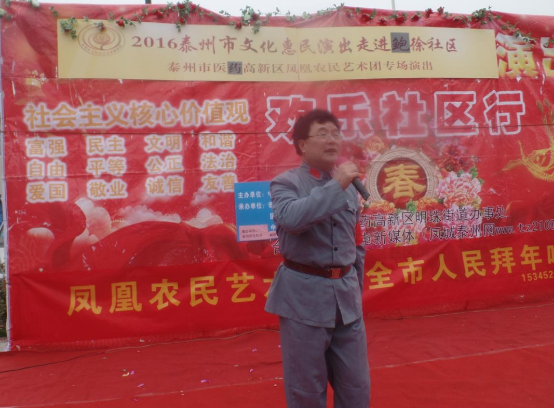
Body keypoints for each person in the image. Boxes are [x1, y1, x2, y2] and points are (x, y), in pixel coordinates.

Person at [265, 109, 370, 408]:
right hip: (303, 301)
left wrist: (356, 290)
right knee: (306, 391)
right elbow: (292, 219)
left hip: (347, 303)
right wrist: (336, 185)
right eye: (322, 134)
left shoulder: (348, 189)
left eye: (336, 133)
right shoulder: (285, 183)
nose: (332, 140)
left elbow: (356, 245)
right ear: (302, 145)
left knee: (356, 388)